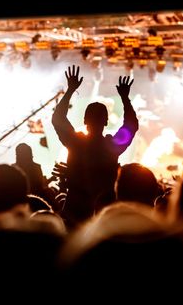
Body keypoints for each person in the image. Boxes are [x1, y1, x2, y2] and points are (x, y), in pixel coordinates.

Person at [52, 64, 138, 226]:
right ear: (106, 121)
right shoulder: (112, 146)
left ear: (85, 121)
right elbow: (131, 126)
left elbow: (58, 118)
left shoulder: (75, 142)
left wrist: (70, 90)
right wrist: (125, 98)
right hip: (105, 209)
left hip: (76, 206)